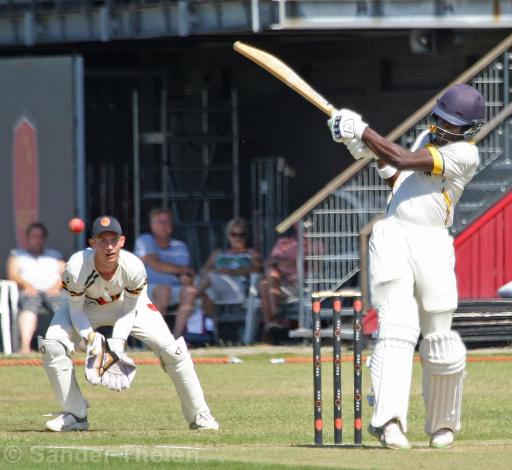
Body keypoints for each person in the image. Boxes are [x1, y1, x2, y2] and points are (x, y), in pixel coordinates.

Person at [327, 83, 485, 449]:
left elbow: (402, 160)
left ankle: (443, 424)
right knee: (396, 327)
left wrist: (363, 131)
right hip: (394, 236)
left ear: (469, 130)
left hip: (433, 243)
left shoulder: (465, 153)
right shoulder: (426, 139)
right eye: (440, 119)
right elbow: (399, 178)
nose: (442, 128)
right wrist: (365, 149)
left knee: (439, 339)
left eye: (452, 124)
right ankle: (389, 421)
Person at [39, 215, 219, 432]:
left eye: (113, 240)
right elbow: (76, 310)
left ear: (122, 241)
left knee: (173, 352)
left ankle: (200, 415)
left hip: (128, 306)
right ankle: (75, 414)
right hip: (87, 307)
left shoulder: (133, 266)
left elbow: (128, 310)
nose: (109, 246)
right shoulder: (76, 267)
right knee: (53, 346)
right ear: (92, 243)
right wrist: (91, 338)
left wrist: (117, 343)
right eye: (102, 240)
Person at [134, 208, 197, 339]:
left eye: (168, 222)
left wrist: (185, 275)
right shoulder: (144, 240)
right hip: (146, 288)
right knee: (163, 290)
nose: (165, 225)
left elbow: (185, 273)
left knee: (190, 291)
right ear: (152, 225)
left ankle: (176, 338)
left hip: (172, 287)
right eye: (161, 222)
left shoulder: (180, 246)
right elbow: (156, 265)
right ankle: (155, 339)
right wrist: (181, 270)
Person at [7, 222, 66, 353]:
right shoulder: (17, 254)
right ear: (28, 238)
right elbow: (12, 273)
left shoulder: (55, 254)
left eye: (40, 236)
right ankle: (25, 347)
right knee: (29, 306)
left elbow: (66, 274)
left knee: (65, 307)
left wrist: (56, 286)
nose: (37, 240)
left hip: (54, 291)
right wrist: (27, 285)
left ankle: (67, 346)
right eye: (34, 236)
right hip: (29, 291)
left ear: (45, 238)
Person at [197, 218, 262, 316]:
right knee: (202, 285)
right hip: (217, 286)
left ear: (246, 236)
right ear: (228, 235)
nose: (237, 238)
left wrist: (233, 272)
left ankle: (191, 298)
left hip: (236, 288)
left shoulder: (251, 253)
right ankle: (208, 323)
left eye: (241, 235)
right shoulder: (218, 253)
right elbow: (204, 270)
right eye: (233, 234)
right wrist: (218, 271)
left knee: (208, 279)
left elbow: (257, 269)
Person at [259, 227, 303, 341]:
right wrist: (287, 263)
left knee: (266, 283)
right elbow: (268, 263)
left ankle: (272, 323)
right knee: (267, 280)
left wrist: (280, 262)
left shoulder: (315, 244)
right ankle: (274, 322)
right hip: (279, 283)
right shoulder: (283, 243)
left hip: (300, 284)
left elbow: (312, 266)